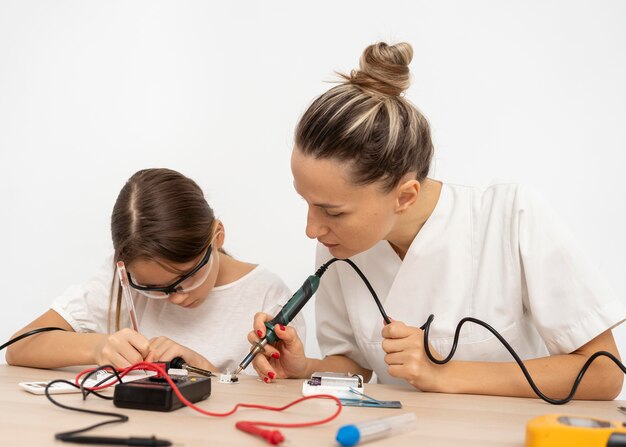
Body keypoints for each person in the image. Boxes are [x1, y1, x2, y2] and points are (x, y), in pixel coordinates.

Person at [249, 42, 625, 400]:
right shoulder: (341, 245)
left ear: (405, 196)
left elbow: (603, 374)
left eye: (332, 211)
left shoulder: (508, 216)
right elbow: (357, 367)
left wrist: (442, 374)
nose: (312, 229)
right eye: (307, 203)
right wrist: (305, 367)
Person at [7, 168, 305, 375]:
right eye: (153, 289)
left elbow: (279, 399)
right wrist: (98, 347)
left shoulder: (268, 298)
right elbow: (19, 346)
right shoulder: (122, 284)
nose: (174, 298)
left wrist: (203, 371)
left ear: (218, 237)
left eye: (187, 278)